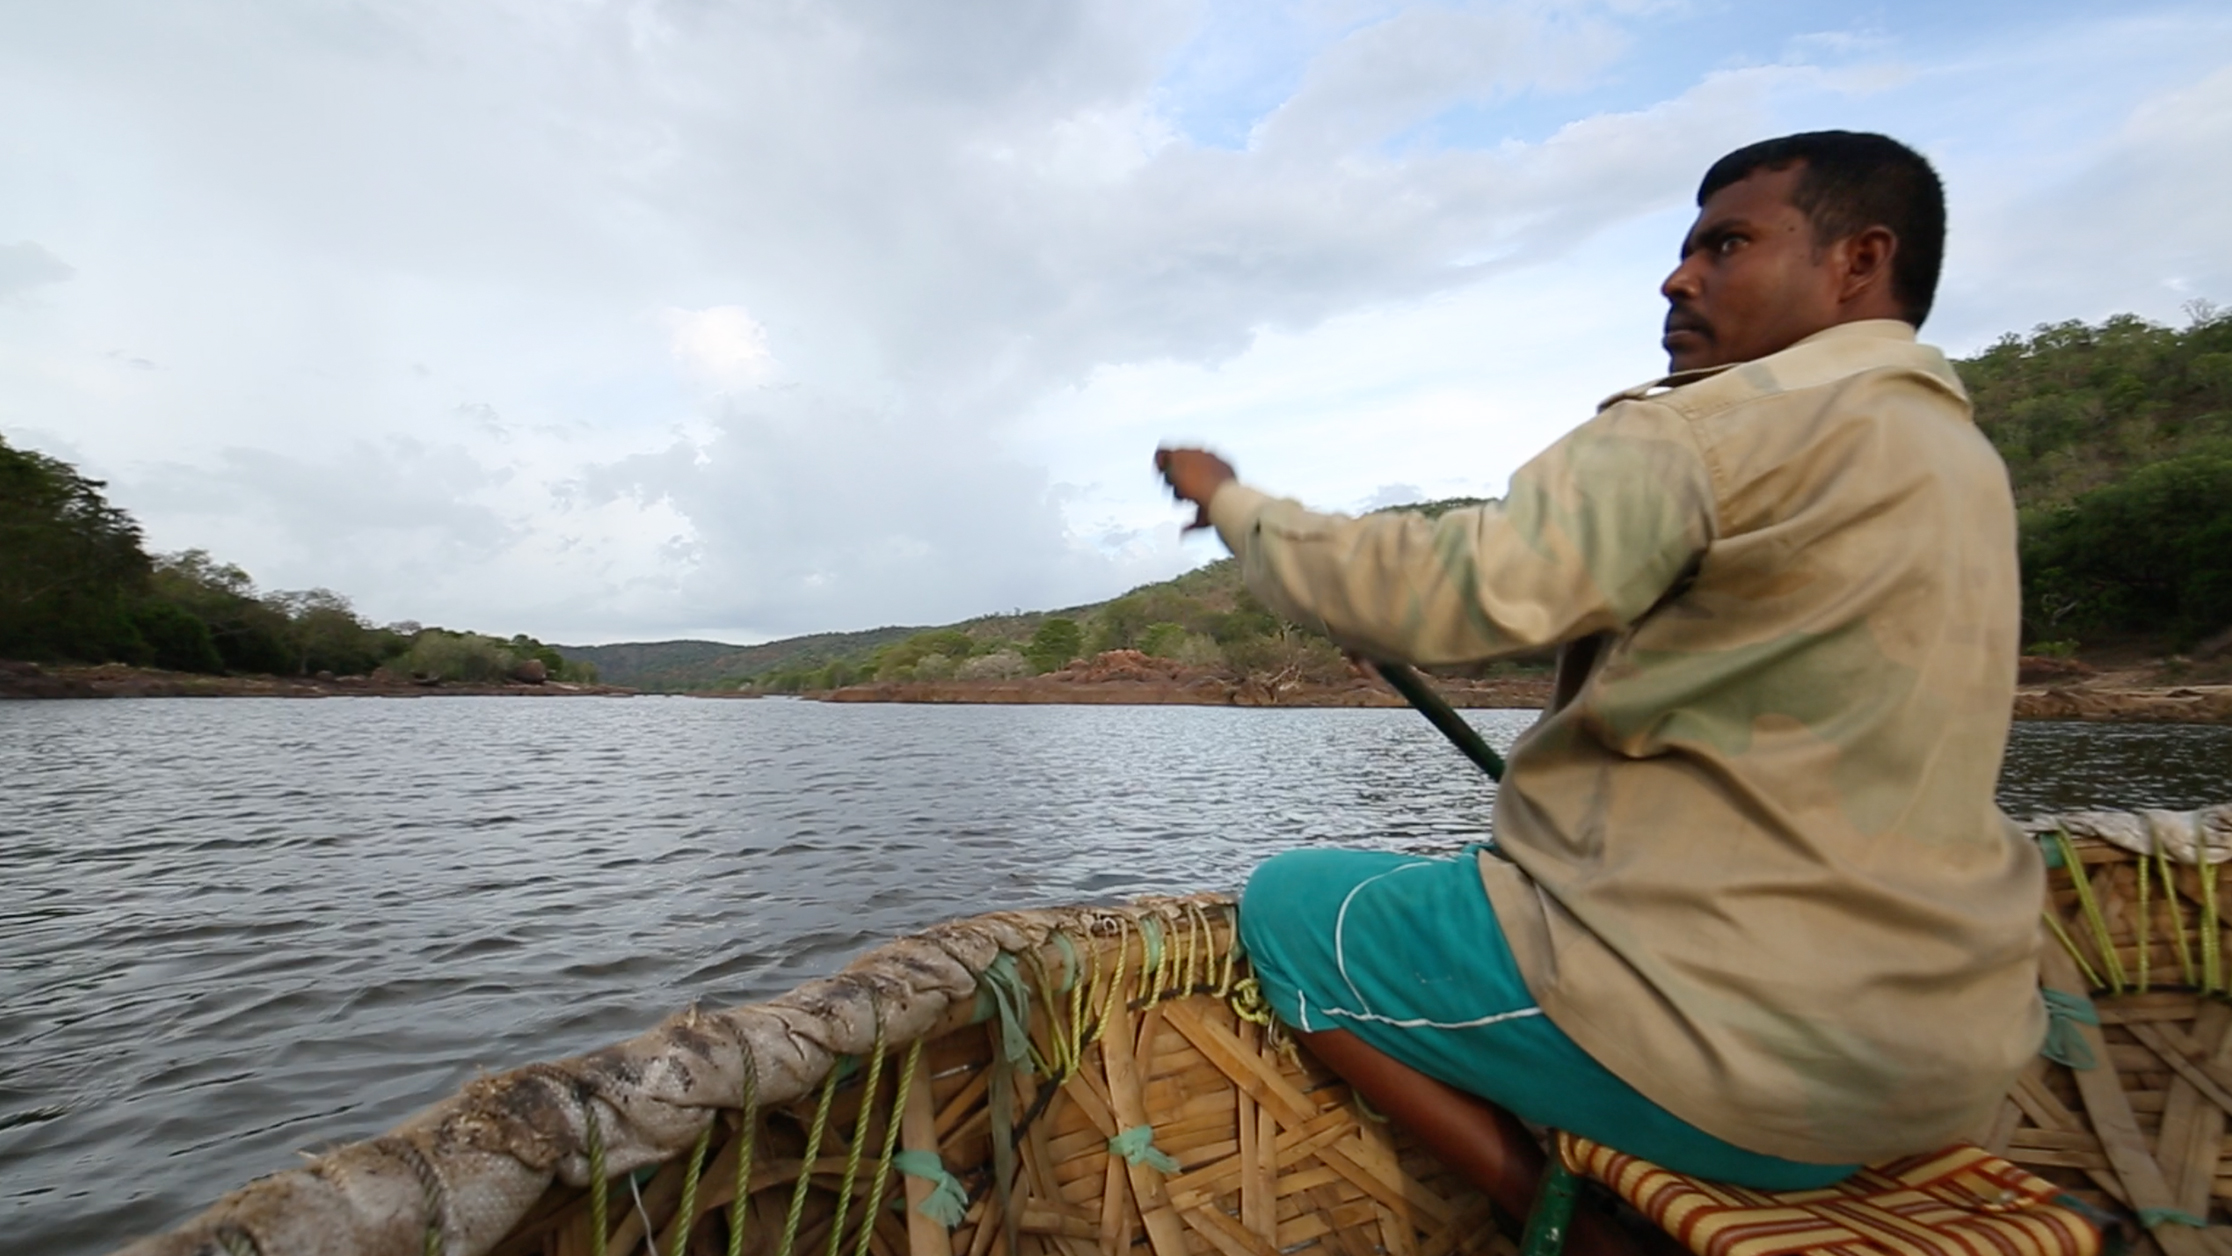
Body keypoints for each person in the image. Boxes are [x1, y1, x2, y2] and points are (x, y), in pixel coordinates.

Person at [1156, 131, 2043, 1256]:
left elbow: (1445, 593)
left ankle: (1560, 1226)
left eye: (1726, 243)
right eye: (1685, 250)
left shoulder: (1716, 428)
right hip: (1951, 1062)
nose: (1680, 278)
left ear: (1858, 260)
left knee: (1290, 900)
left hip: (1758, 1072)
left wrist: (1236, 505)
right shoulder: (1953, 455)